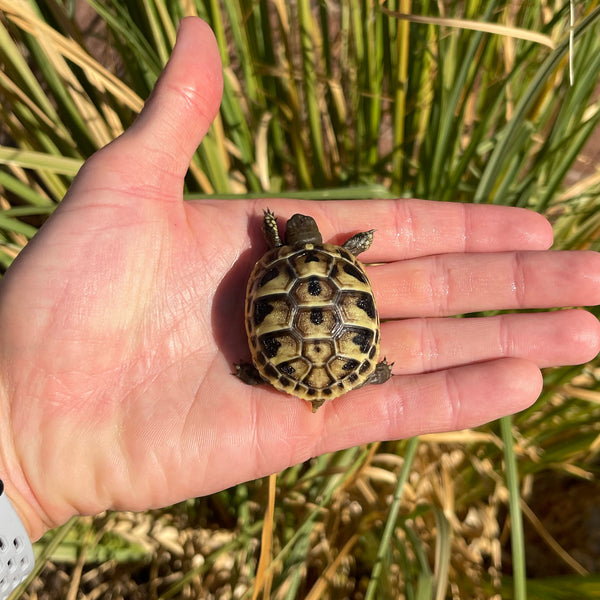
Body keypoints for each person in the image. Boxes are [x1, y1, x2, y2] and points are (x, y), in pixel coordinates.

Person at [0, 17, 599, 543]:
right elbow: (355, 258)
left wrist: (23, 462)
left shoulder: (271, 256)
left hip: (292, 332)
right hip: (337, 349)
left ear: (287, 240)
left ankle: (294, 373)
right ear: (317, 241)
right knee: (359, 350)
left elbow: (294, 246)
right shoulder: (347, 257)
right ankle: (348, 373)